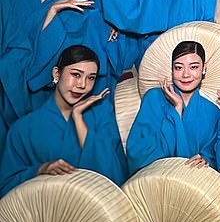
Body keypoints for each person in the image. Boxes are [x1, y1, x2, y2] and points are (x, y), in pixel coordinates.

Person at [0, 45, 126, 196]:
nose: (82, 85)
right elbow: (6, 187)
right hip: (46, 215)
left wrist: (78, 118)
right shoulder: (23, 128)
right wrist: (40, 170)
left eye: (90, 78)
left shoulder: (103, 115)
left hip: (99, 213)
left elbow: (114, 177)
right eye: (76, 74)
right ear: (56, 73)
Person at [0, 0, 95, 135]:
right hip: (3, 90)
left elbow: (41, 71)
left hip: (45, 97)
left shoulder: (80, 9)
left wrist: (52, 14)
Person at [126, 41, 220, 175]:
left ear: (204, 68)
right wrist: (176, 111)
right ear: (172, 69)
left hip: (195, 184)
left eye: (193, 67)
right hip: (156, 179)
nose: (186, 75)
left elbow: (214, 153)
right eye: (178, 67)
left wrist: (206, 159)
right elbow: (138, 152)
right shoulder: (153, 98)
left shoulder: (213, 111)